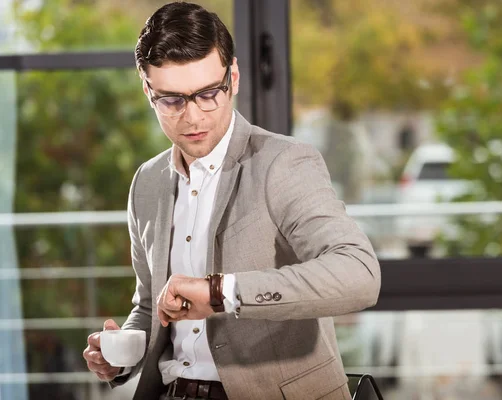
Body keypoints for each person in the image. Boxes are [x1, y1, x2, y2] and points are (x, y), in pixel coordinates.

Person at [82, 2, 380, 399]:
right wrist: (123, 354)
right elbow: (152, 307)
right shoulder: (147, 183)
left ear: (233, 77)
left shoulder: (284, 164)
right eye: (171, 101)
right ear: (147, 89)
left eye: (208, 94)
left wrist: (223, 292)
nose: (191, 117)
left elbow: (359, 275)